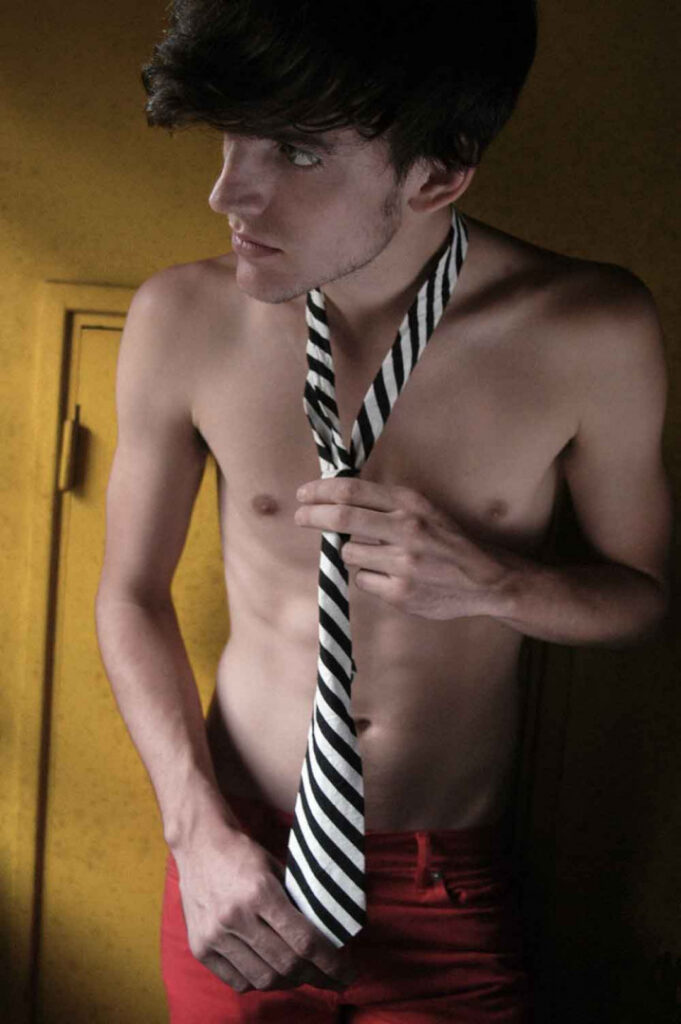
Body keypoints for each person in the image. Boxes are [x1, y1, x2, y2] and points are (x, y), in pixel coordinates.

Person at [95, 0, 672, 1020]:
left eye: (295, 151)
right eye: (232, 137)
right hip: (239, 866)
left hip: (444, 878)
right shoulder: (181, 318)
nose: (229, 193)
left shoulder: (589, 331)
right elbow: (130, 593)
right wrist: (197, 834)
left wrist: (500, 585)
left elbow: (645, 599)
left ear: (437, 174)